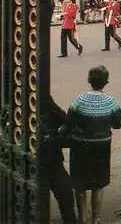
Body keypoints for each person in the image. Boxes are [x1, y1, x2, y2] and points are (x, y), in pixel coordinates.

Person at [65, 66, 121, 224]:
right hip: (102, 147)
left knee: (80, 184)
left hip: (80, 146)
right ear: (106, 82)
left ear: (89, 80)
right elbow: (118, 124)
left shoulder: (79, 100)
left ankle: (82, 218)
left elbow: (69, 123)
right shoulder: (111, 101)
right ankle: (95, 218)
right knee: (98, 183)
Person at [42, 95, 77, 224]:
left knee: (66, 196)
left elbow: (65, 121)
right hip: (30, 165)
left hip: (53, 162)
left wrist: (55, 139)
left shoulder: (45, 103)